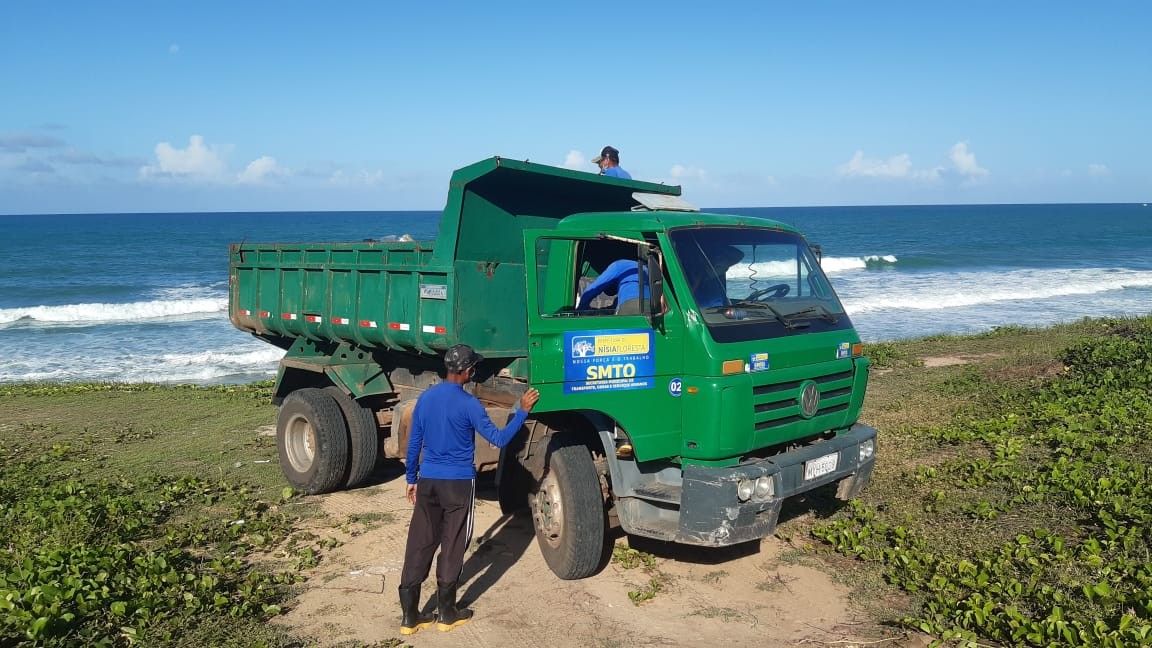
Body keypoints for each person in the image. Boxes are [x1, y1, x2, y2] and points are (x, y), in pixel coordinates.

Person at [398, 344, 541, 634]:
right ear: (467, 371)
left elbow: (414, 444)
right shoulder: (469, 404)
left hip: (428, 482)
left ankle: (410, 617)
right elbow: (499, 440)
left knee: (420, 543)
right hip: (459, 484)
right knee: (453, 543)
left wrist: (411, 477)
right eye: (473, 368)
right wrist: (522, 412)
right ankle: (447, 613)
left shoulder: (425, 399)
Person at [577, 258, 648, 314]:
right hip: (652, 306)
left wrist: (580, 312)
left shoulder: (619, 265)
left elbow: (591, 290)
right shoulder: (644, 268)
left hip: (632, 305)